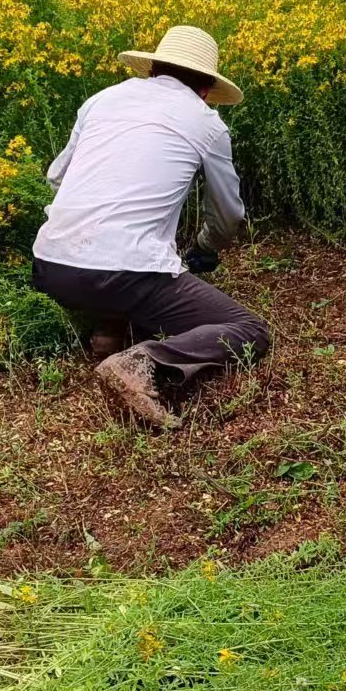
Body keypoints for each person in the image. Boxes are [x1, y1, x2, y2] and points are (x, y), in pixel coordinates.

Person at [32, 25, 269, 428]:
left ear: (153, 68)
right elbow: (229, 216)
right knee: (251, 329)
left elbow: (56, 178)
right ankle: (144, 359)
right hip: (124, 275)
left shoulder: (100, 100)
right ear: (207, 88)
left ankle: (109, 331)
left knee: (136, 254)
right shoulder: (206, 122)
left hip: (50, 267)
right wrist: (206, 245)